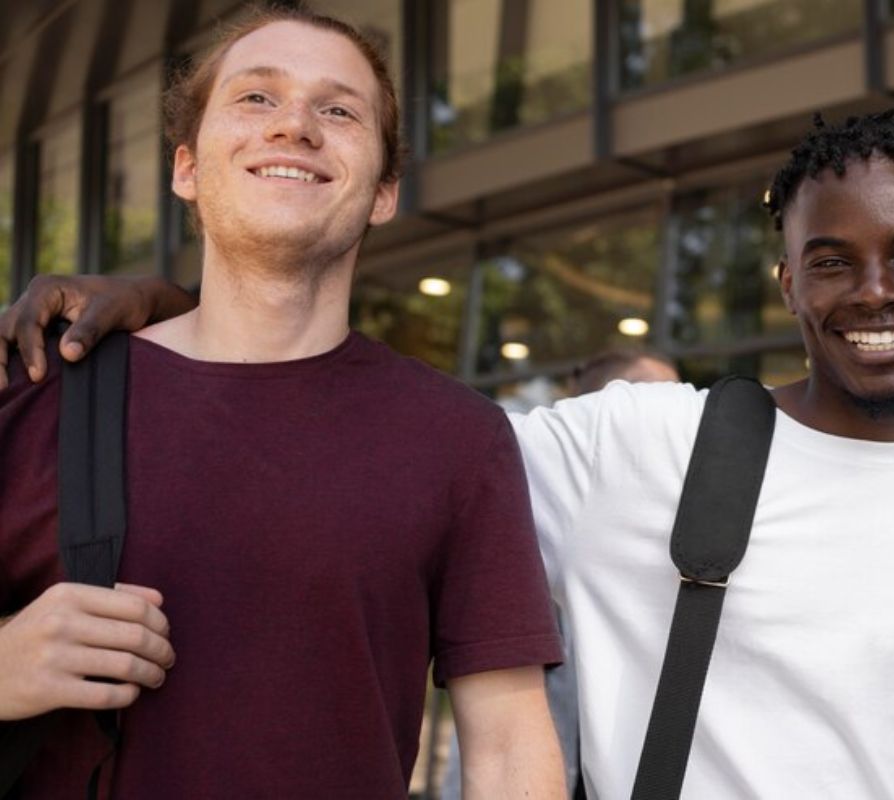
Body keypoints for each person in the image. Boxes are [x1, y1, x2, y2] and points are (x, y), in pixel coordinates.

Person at [1, 112, 894, 798]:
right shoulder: (640, 442)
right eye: (831, 260)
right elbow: (357, 429)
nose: (873, 292)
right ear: (786, 286)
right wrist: (182, 312)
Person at [0, 7, 564, 799]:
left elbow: (508, 751)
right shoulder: (34, 397)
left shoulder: (459, 439)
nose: (295, 124)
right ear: (187, 168)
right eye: (256, 98)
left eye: (338, 110)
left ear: (384, 192)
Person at [443, 348, 679, 800]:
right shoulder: (521, 515)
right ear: (594, 412)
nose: (666, 418)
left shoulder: (677, 551)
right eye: (646, 399)